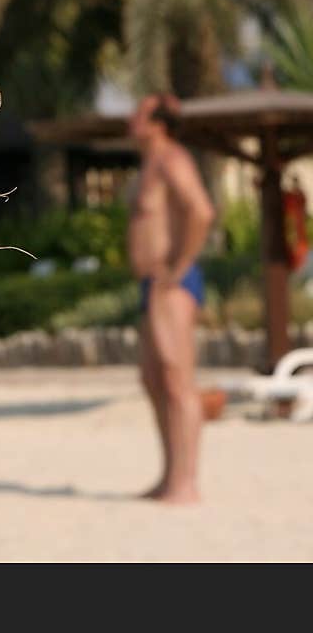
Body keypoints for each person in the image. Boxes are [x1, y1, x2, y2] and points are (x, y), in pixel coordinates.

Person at [128, 93, 216, 504]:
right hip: (153, 285)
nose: (131, 118)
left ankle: (187, 483)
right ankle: (169, 478)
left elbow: (201, 211)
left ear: (158, 123)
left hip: (172, 284)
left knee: (179, 383)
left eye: (141, 112)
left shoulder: (171, 158)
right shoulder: (150, 162)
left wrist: (178, 268)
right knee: (153, 379)